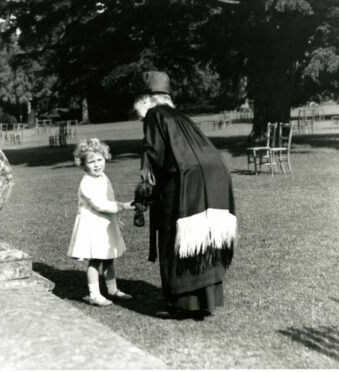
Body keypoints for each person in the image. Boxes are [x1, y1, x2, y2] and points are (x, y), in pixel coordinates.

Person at [134, 71, 237, 319]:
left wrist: (144, 194)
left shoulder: (154, 115)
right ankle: (204, 301)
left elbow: (155, 156)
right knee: (203, 238)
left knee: (175, 236)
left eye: (136, 107)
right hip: (215, 179)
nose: (137, 114)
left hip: (184, 181)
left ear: (148, 99)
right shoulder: (180, 116)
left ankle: (181, 304)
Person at [67, 138, 135, 306]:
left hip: (105, 223)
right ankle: (94, 294)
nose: (97, 165)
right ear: (83, 164)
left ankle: (112, 290)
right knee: (95, 260)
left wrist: (115, 219)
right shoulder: (87, 182)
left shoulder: (103, 176)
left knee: (108, 258)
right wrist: (124, 206)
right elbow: (100, 205)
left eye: (100, 160)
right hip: (92, 225)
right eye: (91, 161)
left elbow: (109, 198)